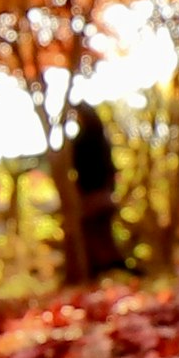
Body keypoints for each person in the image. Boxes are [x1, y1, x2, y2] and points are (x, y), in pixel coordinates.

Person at [65, 100, 125, 276]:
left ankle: (108, 270)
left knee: (94, 236)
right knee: (103, 235)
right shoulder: (102, 140)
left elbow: (75, 166)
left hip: (92, 195)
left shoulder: (83, 141)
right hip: (104, 194)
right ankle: (112, 269)